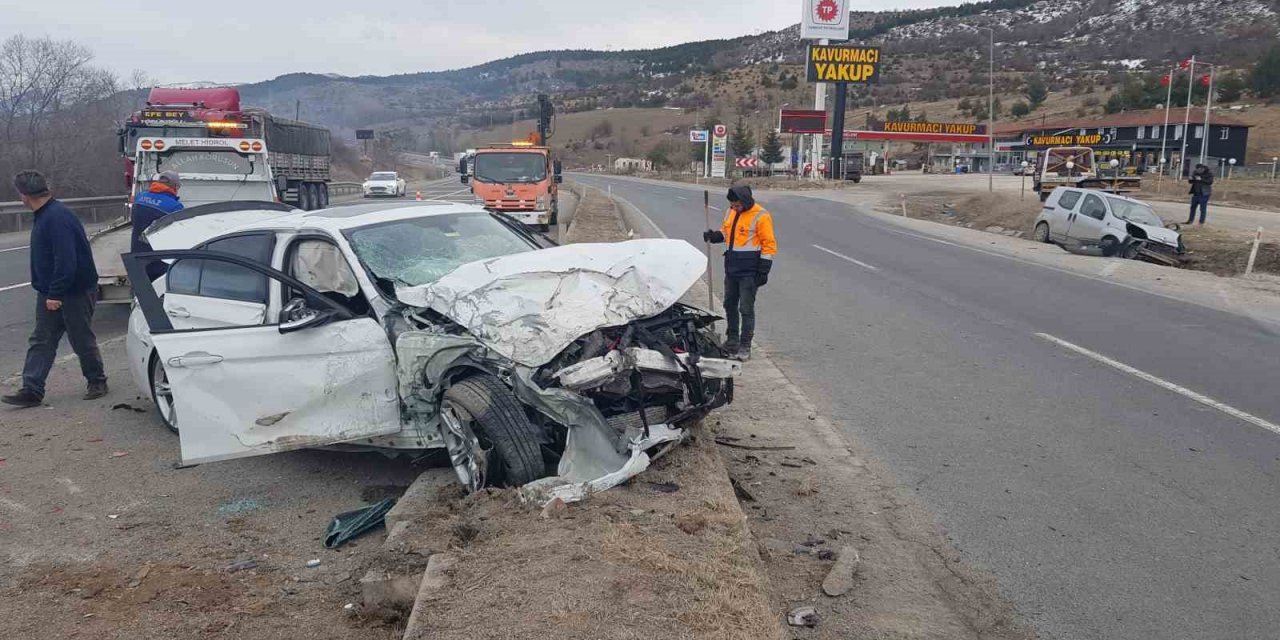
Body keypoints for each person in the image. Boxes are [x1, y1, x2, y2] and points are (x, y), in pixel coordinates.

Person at [2, 171, 107, 408]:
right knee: (42, 339)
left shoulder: (56, 218)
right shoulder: (45, 214)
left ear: (24, 195)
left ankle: (97, 381)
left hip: (74, 290)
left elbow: (66, 260)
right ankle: (32, 389)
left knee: (80, 338)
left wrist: (55, 294)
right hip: (52, 290)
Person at [702, 185, 777, 362]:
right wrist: (714, 236)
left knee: (745, 308)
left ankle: (745, 346)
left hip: (750, 272)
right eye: (732, 205)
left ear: (745, 201)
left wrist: (763, 271)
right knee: (729, 304)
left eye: (736, 205)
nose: (734, 208)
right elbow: (727, 233)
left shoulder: (761, 216)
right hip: (732, 268)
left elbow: (769, 244)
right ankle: (732, 341)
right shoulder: (731, 212)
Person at [132, 170, 184, 280]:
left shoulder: (139, 198)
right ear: (174, 187)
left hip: (137, 258)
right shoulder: (174, 207)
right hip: (160, 263)